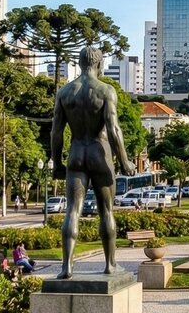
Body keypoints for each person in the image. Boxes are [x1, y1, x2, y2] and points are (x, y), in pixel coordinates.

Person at [50, 47, 137, 279]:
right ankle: (110, 264)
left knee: (72, 211)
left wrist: (56, 163)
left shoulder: (65, 92)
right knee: (106, 211)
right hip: (100, 153)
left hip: (76, 152)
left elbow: (56, 133)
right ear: (100, 64)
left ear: (79, 63)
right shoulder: (105, 91)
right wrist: (125, 161)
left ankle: (66, 267)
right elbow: (113, 128)